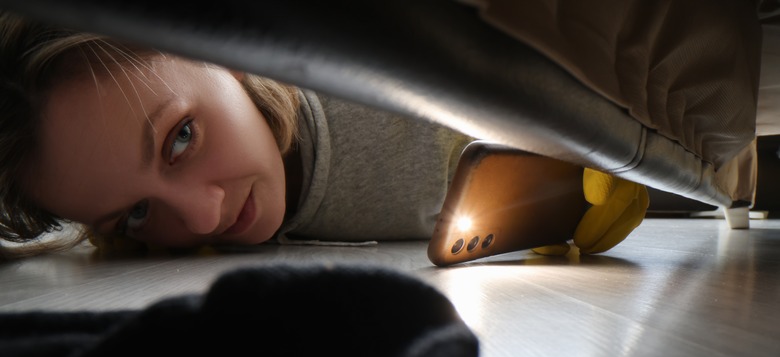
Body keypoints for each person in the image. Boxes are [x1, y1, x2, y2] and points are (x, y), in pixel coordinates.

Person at [0, 11, 648, 260]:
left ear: (218, 47)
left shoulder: (385, 66)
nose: (204, 217)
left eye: (180, 138)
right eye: (135, 213)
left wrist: (600, 150)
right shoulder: (160, 252)